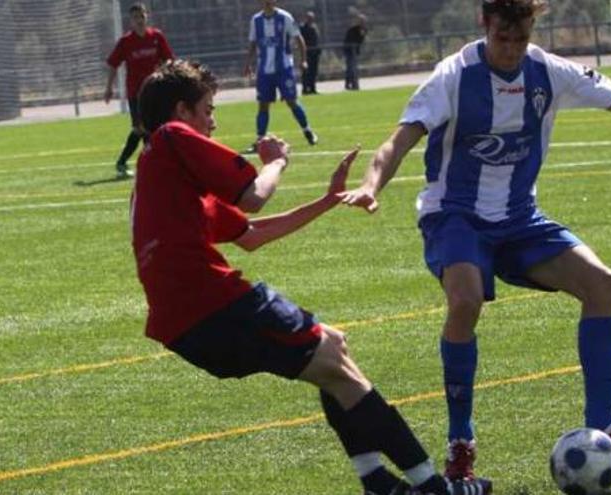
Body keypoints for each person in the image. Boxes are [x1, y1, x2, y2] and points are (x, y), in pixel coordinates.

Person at [340, 0, 611, 481]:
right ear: (484, 26)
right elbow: (399, 140)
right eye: (502, 39)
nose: (511, 50)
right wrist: (371, 184)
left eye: (521, 39)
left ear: (532, 30)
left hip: (520, 219)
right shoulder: (452, 75)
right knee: (466, 301)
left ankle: (604, 427)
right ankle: (460, 443)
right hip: (455, 217)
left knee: (602, 284)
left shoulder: (550, 72)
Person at [132, 59, 491, 495]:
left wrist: (326, 200)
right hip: (215, 304)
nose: (212, 121)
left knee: (333, 348)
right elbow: (254, 198)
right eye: (207, 109)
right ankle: (433, 487)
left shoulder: (159, 174)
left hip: (187, 324)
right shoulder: (173, 138)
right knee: (339, 368)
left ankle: (377, 480)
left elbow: (251, 235)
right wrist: (276, 161)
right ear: (181, 111)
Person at [104, 2, 173, 179]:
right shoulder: (126, 42)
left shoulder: (156, 36)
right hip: (136, 92)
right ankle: (125, 162)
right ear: (131, 21)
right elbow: (113, 64)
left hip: (155, 90)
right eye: (135, 17)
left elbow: (169, 60)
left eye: (142, 16)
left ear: (146, 16)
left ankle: (151, 164)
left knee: (153, 127)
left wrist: (168, 77)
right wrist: (109, 88)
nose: (139, 20)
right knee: (141, 127)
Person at [243, 0, 317, 150]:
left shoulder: (285, 17)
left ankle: (308, 131)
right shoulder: (256, 20)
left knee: (291, 101)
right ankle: (260, 140)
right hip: (264, 70)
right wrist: (248, 64)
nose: (267, 2)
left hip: (283, 68)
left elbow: (299, 39)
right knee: (263, 105)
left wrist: (303, 60)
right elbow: (253, 43)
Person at [343, 12, 368, 91]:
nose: (362, 22)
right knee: (350, 68)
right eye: (361, 21)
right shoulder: (352, 29)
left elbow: (360, 40)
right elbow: (348, 40)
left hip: (355, 51)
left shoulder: (364, 30)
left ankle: (354, 84)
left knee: (354, 68)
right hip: (349, 51)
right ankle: (350, 84)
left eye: (363, 21)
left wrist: (362, 34)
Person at [300, 11, 321, 95]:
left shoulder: (315, 27)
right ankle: (305, 89)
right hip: (307, 52)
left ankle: (312, 88)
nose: (311, 20)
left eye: (312, 18)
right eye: (309, 18)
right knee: (306, 72)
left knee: (314, 71)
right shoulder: (303, 27)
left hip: (315, 52)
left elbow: (317, 40)